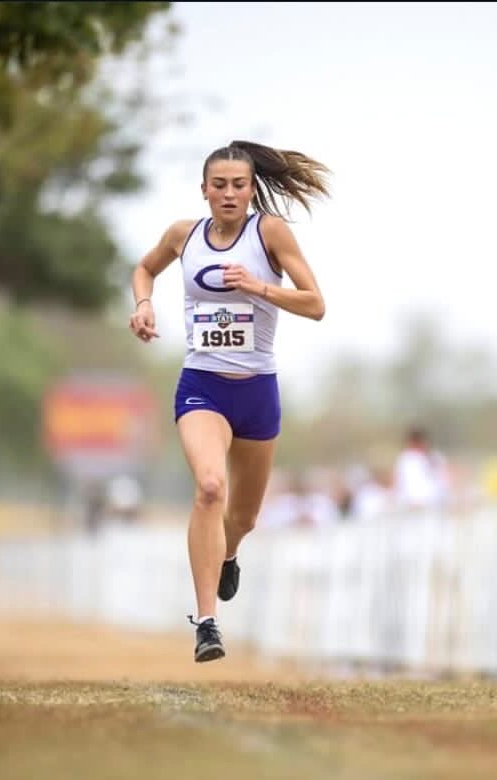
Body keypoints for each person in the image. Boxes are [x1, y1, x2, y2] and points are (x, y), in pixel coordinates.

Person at [128, 140, 329, 663]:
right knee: (210, 488)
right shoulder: (184, 235)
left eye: (239, 184)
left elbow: (316, 304)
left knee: (241, 518)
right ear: (204, 190)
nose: (229, 193)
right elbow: (143, 269)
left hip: (258, 390)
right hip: (203, 384)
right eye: (219, 185)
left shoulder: (270, 234)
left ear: (251, 189)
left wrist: (261, 288)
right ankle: (207, 624)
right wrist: (144, 305)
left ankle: (230, 554)